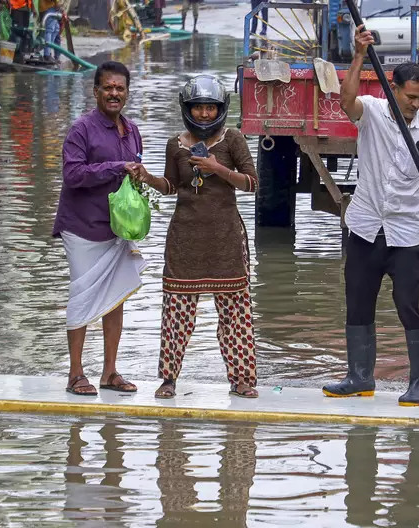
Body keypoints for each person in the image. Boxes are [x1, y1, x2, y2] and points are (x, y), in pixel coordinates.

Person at [322, 26, 419, 407]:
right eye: (410, 97)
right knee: (358, 301)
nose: (415, 104)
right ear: (393, 89)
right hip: (366, 226)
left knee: (407, 304)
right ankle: (360, 378)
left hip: (408, 231)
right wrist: (359, 54)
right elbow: (345, 100)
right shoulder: (373, 112)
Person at [132, 75, 262, 399]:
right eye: (198, 108)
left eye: (210, 108)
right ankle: (168, 379)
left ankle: (242, 378)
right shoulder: (175, 144)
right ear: (188, 109)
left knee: (235, 313)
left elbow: (252, 183)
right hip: (185, 239)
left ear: (220, 109)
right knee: (176, 311)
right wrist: (148, 178)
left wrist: (217, 168)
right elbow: (172, 186)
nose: (204, 114)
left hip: (226, 240)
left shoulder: (233, 140)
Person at [52, 61, 149, 396]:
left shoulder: (132, 130)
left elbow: (134, 176)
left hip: (117, 230)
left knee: (115, 297)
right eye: (107, 87)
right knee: (82, 295)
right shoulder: (81, 130)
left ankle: (110, 372)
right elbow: (73, 175)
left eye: (120, 88)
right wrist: (116, 166)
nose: (114, 94)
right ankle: (75, 373)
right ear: (95, 92)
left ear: (127, 93)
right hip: (81, 226)